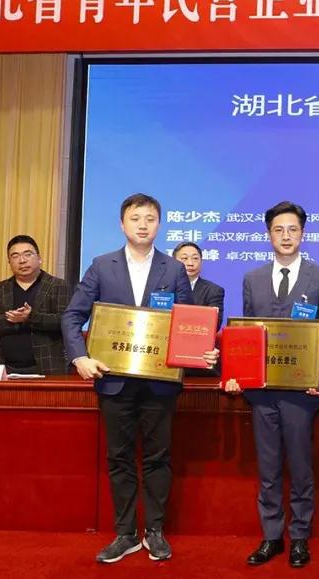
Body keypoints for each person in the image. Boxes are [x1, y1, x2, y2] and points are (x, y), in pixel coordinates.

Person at [62, 193, 215, 564]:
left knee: (158, 458)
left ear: (159, 224)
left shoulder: (173, 269)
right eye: (135, 218)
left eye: (150, 219)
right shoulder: (102, 266)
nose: (142, 225)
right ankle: (126, 533)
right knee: (119, 458)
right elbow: (72, 315)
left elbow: (189, 321)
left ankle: (155, 531)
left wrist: (201, 351)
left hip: (159, 382)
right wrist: (80, 357)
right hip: (113, 379)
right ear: (122, 224)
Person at [225, 201, 319, 569]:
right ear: (269, 235)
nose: (286, 236)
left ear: (302, 234)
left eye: (292, 229)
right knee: (268, 466)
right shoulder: (253, 278)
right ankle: (272, 536)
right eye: (279, 230)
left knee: (301, 466)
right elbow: (244, 333)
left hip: (301, 393)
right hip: (261, 392)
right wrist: (237, 372)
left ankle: (300, 537)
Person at [0, 235, 71, 374]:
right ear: (9, 262)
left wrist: (31, 317)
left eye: (28, 254)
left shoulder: (58, 286)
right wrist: (12, 319)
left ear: (39, 259)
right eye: (15, 256)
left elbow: (65, 321)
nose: (22, 260)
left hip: (47, 367)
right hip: (4, 368)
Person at [173, 241, 225, 327]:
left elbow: (214, 325)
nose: (190, 263)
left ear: (201, 262)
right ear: (173, 262)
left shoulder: (214, 291)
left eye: (195, 258)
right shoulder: (164, 286)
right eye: (184, 258)